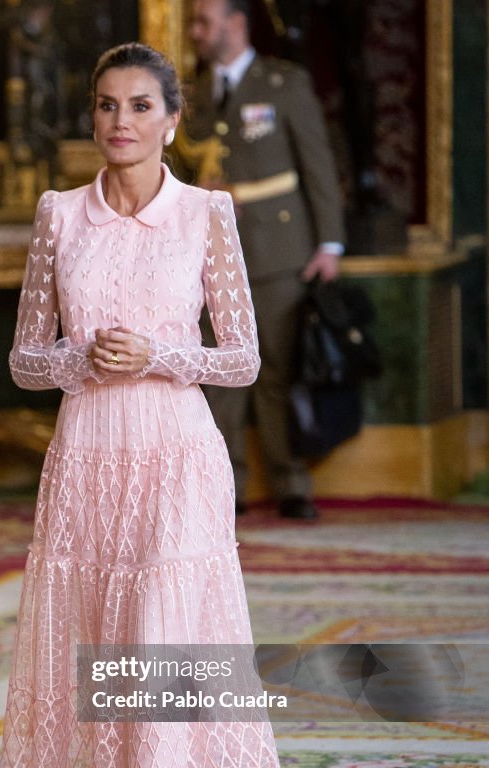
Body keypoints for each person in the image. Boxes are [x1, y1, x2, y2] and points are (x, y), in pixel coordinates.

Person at [0, 41, 284, 768]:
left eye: (138, 106)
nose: (119, 122)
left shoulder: (207, 213)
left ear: (172, 119)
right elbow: (23, 357)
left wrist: (160, 355)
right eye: (106, 106)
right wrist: (81, 359)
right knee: (120, 655)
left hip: (176, 458)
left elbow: (239, 357)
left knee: (163, 647)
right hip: (87, 461)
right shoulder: (58, 217)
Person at [186, 0, 346, 519]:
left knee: (278, 371)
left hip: (280, 252)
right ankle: (225, 489)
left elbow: (316, 162)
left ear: (236, 24)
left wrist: (330, 243)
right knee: (220, 376)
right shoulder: (191, 93)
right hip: (213, 254)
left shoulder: (283, 83)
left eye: (203, 22)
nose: (195, 32)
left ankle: (291, 485)